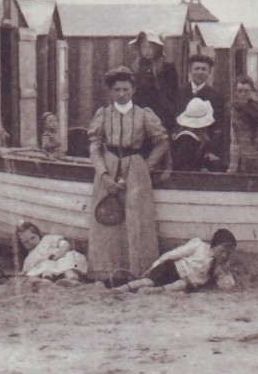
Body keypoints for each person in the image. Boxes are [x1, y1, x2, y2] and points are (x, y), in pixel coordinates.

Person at [87, 66, 170, 285]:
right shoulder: (104, 114)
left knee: (135, 219)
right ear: (111, 92)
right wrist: (104, 175)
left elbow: (162, 142)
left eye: (125, 89)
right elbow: (95, 146)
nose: (121, 94)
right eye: (116, 90)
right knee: (107, 220)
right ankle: (106, 273)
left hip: (136, 170)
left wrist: (146, 166)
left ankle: (135, 272)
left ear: (133, 90)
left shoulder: (144, 114)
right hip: (108, 166)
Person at [116, 228, 237, 293]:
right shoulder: (199, 246)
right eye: (222, 250)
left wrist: (226, 271)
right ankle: (122, 288)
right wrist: (154, 266)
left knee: (182, 285)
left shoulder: (218, 268)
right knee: (149, 280)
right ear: (214, 245)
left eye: (228, 253)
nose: (224, 255)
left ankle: (155, 291)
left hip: (186, 282)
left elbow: (226, 287)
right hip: (174, 268)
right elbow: (174, 254)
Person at [176, 54, 228, 164]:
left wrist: (211, 150)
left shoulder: (216, 96)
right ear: (190, 70)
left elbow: (218, 126)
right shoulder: (179, 92)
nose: (200, 72)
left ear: (209, 72)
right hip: (180, 144)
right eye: (197, 68)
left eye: (204, 69)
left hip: (204, 146)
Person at [130, 31, 179, 131]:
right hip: (140, 110)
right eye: (144, 47)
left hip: (160, 112)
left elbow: (172, 94)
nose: (147, 51)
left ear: (158, 48)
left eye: (150, 47)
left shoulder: (167, 68)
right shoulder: (136, 68)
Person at [16, 221, 88, 285]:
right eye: (26, 242)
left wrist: (61, 252)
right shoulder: (30, 256)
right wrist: (23, 272)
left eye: (32, 238)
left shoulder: (47, 239)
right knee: (45, 266)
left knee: (67, 260)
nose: (30, 242)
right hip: (50, 265)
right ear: (22, 245)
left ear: (38, 234)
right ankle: (47, 280)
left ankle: (72, 279)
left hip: (61, 258)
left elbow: (64, 244)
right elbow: (26, 269)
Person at [171, 98, 222, 172]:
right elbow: (185, 166)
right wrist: (202, 167)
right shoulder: (185, 139)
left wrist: (207, 155)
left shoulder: (196, 136)